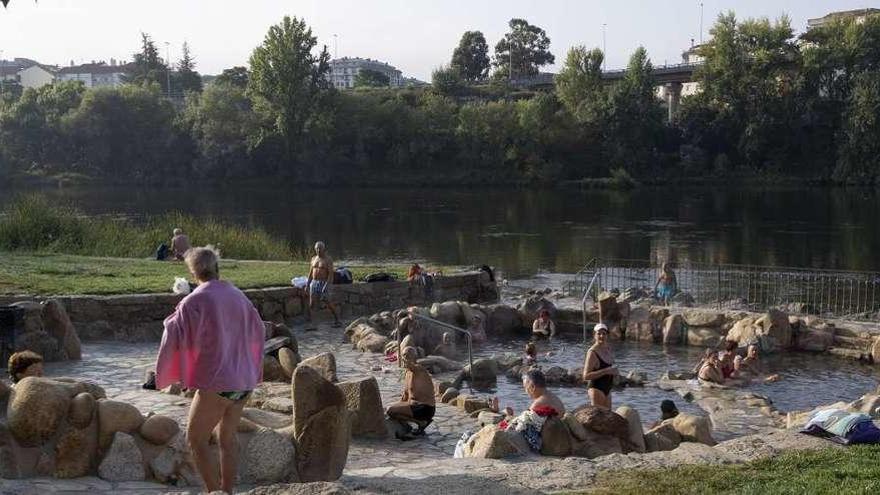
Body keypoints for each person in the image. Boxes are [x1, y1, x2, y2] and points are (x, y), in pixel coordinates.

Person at [155, 246, 264, 494]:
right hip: (243, 381)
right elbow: (259, 328)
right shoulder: (238, 295)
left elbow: (173, 332)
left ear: (193, 273)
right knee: (227, 438)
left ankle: (214, 492)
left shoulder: (194, 300)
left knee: (195, 441)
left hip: (218, 382)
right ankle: (227, 491)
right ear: (216, 267)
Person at [497, 370, 566, 452]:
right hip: (560, 434)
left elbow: (526, 420)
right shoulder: (552, 396)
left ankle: (502, 412)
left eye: (525, 388)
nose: (525, 391)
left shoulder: (539, 402)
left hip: (549, 441)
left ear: (532, 387)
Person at [386, 346, 436, 440]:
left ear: (414, 358)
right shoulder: (408, 373)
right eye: (404, 356)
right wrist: (399, 406)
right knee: (391, 411)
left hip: (426, 408)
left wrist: (404, 359)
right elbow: (405, 396)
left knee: (390, 409)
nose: (405, 358)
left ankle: (421, 422)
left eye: (408, 356)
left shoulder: (419, 370)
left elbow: (412, 366)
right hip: (414, 406)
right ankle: (414, 425)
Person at [306, 241, 341, 329]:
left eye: (320, 248)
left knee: (327, 301)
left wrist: (326, 285)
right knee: (312, 304)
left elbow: (330, 274)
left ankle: (337, 320)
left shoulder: (328, 259)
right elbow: (310, 273)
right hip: (314, 282)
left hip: (324, 282)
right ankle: (313, 324)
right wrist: (308, 284)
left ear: (323, 249)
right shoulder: (314, 258)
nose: (318, 250)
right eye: (317, 248)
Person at [582, 323, 617, 409]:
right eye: (599, 333)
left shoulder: (608, 349)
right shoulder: (592, 353)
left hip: (607, 390)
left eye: (604, 333)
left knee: (609, 418)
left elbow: (611, 367)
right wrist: (605, 371)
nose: (601, 336)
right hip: (596, 389)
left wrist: (615, 373)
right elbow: (585, 376)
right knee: (599, 419)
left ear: (607, 335)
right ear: (594, 335)